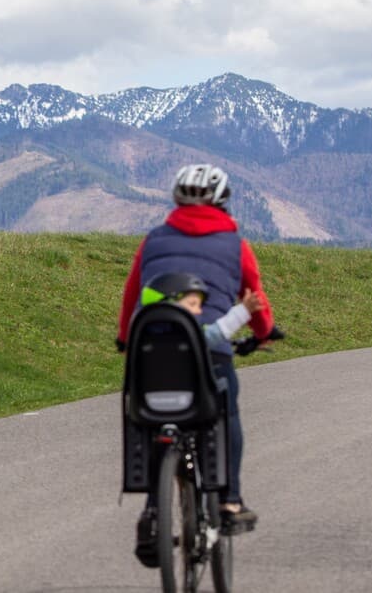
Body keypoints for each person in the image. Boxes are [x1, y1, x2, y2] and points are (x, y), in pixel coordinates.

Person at [117, 164, 277, 565]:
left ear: (176, 200)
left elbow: (132, 294)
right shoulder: (234, 244)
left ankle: (154, 510)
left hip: (150, 350)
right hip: (210, 353)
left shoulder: (153, 241)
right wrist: (262, 332)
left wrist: (125, 339)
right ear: (222, 201)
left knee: (153, 422)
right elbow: (254, 295)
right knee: (226, 414)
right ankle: (230, 502)